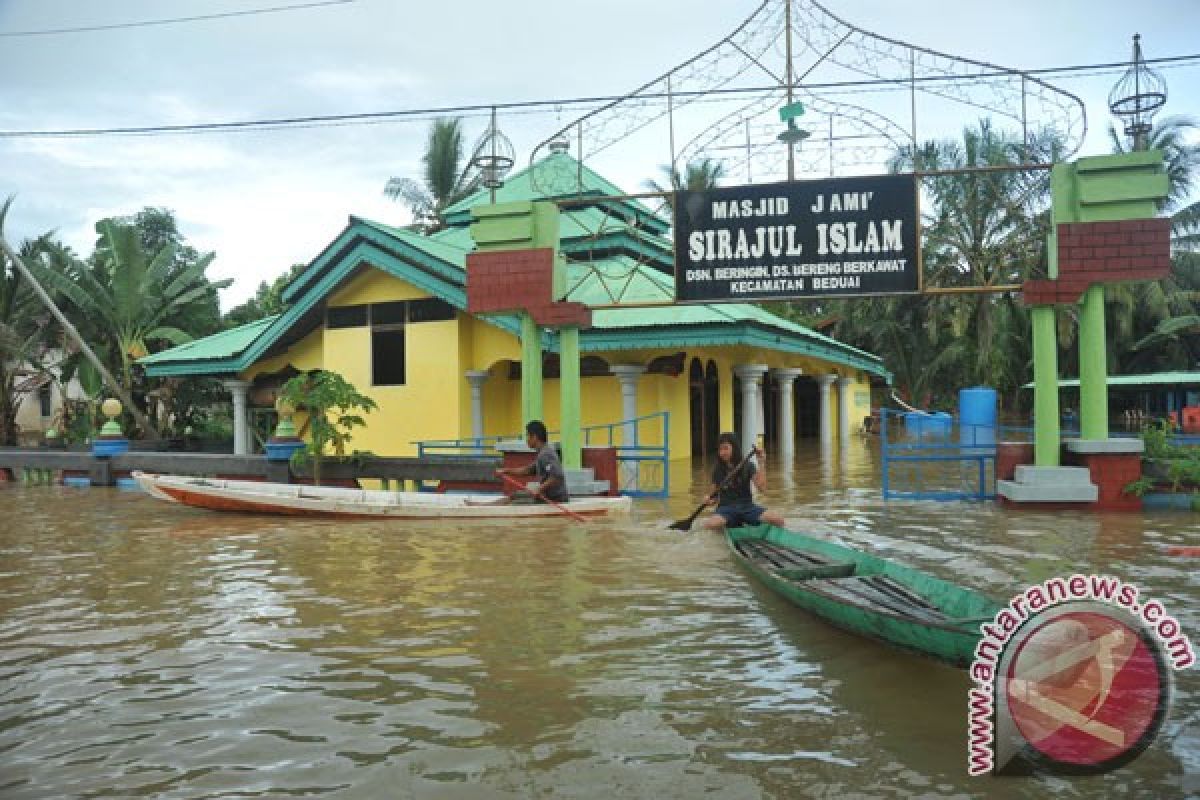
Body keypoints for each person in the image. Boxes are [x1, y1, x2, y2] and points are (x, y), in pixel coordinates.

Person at [700, 432, 785, 531]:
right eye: (720, 449)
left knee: (778, 520)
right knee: (710, 525)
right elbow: (714, 497)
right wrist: (708, 500)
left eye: (725, 448)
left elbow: (762, 488)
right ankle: (729, 525)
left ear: (734, 448)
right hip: (726, 509)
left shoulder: (748, 466)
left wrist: (761, 462)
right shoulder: (717, 470)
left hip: (747, 507)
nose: (722, 453)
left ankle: (746, 522)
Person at [494, 420, 569, 504]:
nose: (527, 440)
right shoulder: (542, 453)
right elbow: (527, 470)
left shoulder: (546, 454)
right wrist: (505, 471)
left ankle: (487, 508)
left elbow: (557, 476)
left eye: (528, 436)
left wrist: (539, 489)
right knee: (515, 496)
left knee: (513, 498)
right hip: (546, 496)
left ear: (534, 437)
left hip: (555, 499)